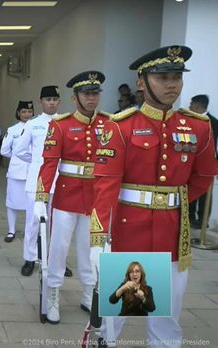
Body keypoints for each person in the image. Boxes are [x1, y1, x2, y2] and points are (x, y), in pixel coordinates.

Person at [90, 45, 218, 347]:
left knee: (166, 314)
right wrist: (98, 239)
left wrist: (172, 204)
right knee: (115, 313)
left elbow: (203, 177)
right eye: (162, 77)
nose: (172, 84)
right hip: (127, 230)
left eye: (177, 77)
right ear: (141, 82)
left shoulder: (197, 127)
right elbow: (105, 186)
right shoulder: (120, 126)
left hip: (172, 232)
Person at [34, 71, 111, 324]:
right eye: (87, 93)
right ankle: (53, 292)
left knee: (90, 248)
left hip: (96, 197)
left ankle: (89, 292)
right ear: (75, 97)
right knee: (58, 247)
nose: (92, 98)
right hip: (67, 196)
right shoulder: (61, 125)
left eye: (95, 93)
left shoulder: (109, 124)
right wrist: (41, 197)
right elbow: (49, 163)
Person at [13, 86, 60, 276]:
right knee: (33, 222)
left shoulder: (65, 122)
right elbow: (20, 150)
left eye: (55, 99)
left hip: (61, 181)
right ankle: (30, 258)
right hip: (37, 181)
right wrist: (37, 163)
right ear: (41, 101)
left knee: (58, 224)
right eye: (48, 99)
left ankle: (55, 260)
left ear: (59, 101)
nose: (51, 102)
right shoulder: (33, 124)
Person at [0, 101, 33, 242]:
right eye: (24, 111)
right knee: (12, 201)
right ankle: (11, 230)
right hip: (16, 171)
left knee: (31, 203)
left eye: (30, 112)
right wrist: (17, 157)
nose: (27, 114)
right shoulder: (12, 130)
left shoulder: (37, 127)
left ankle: (29, 230)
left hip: (32, 171)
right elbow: (4, 150)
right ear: (18, 113)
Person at [188, 94, 218, 229]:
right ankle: (189, 219)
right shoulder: (188, 121)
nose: (189, 107)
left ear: (198, 106)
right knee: (190, 191)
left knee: (205, 193)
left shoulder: (214, 123)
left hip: (207, 164)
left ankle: (202, 221)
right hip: (190, 163)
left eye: (191, 104)